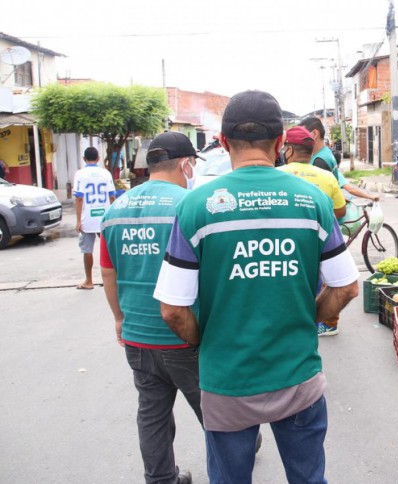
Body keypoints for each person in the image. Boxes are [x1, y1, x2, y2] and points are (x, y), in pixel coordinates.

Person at [154, 90, 360, 483]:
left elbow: (173, 310)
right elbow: (347, 288)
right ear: (281, 143)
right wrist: (306, 318)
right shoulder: (312, 201)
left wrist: (204, 341)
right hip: (298, 377)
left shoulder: (196, 206)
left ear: (224, 141)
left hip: (226, 381)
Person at [100, 132, 204, 484]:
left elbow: (108, 271)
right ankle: (240, 450)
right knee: (213, 407)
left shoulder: (115, 210)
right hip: (184, 333)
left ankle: (161, 479)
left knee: (152, 412)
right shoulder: (191, 205)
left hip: (138, 335)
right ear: (186, 163)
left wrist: (118, 319)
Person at [279, 126, 346, 219]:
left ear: (290, 151)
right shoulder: (329, 177)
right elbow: (341, 211)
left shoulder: (277, 174)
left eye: (284, 149)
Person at [73, 147, 116, 290]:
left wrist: (78, 220)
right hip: (104, 217)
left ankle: (89, 280)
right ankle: (112, 279)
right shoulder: (105, 173)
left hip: (88, 218)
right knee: (109, 249)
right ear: (98, 158)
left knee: (87, 250)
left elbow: (79, 199)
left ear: (84, 159)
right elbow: (112, 196)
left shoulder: (80, 174)